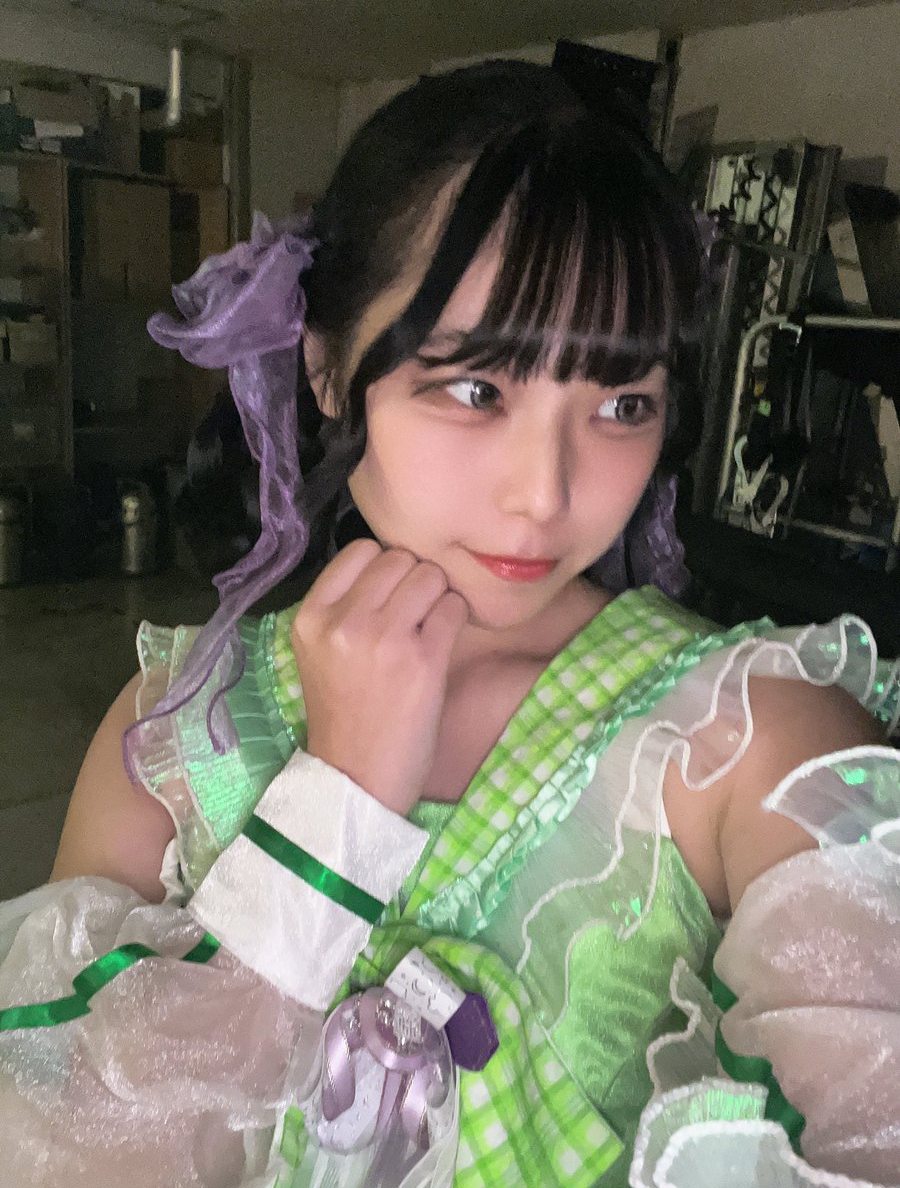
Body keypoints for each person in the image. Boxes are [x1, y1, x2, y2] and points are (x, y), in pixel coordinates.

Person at [1, 60, 899, 1188]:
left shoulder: (753, 743)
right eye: (477, 388)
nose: (545, 493)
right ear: (329, 371)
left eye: (622, 403)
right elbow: (59, 1152)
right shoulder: (179, 739)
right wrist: (334, 817)